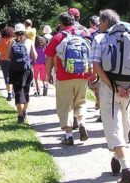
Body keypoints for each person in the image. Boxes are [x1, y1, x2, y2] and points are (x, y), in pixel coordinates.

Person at [91, 9, 130, 183]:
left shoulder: (99, 39)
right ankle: (116, 157)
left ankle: (127, 172)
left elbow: (96, 66)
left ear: (104, 22)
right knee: (123, 129)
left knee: (113, 128)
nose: (98, 25)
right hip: (129, 90)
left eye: (99, 22)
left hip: (110, 90)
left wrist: (112, 86)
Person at [45, 12, 90, 146]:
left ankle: (69, 136)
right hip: (82, 75)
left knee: (65, 106)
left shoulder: (58, 37)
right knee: (80, 102)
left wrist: (48, 74)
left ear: (61, 23)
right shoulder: (82, 34)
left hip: (64, 76)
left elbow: (48, 57)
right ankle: (82, 123)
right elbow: (90, 53)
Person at [8, 23, 38, 123]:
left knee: (17, 92)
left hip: (15, 70)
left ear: (15, 32)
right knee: (26, 91)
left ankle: (20, 116)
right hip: (27, 70)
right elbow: (34, 57)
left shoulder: (12, 42)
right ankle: (24, 111)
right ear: (24, 32)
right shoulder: (29, 41)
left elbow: (9, 56)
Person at [0, 27, 16, 101]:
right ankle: (14, 91)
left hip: (3, 61)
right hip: (13, 60)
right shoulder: (13, 40)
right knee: (13, 76)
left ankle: (9, 93)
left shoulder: (1, 40)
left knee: (7, 77)